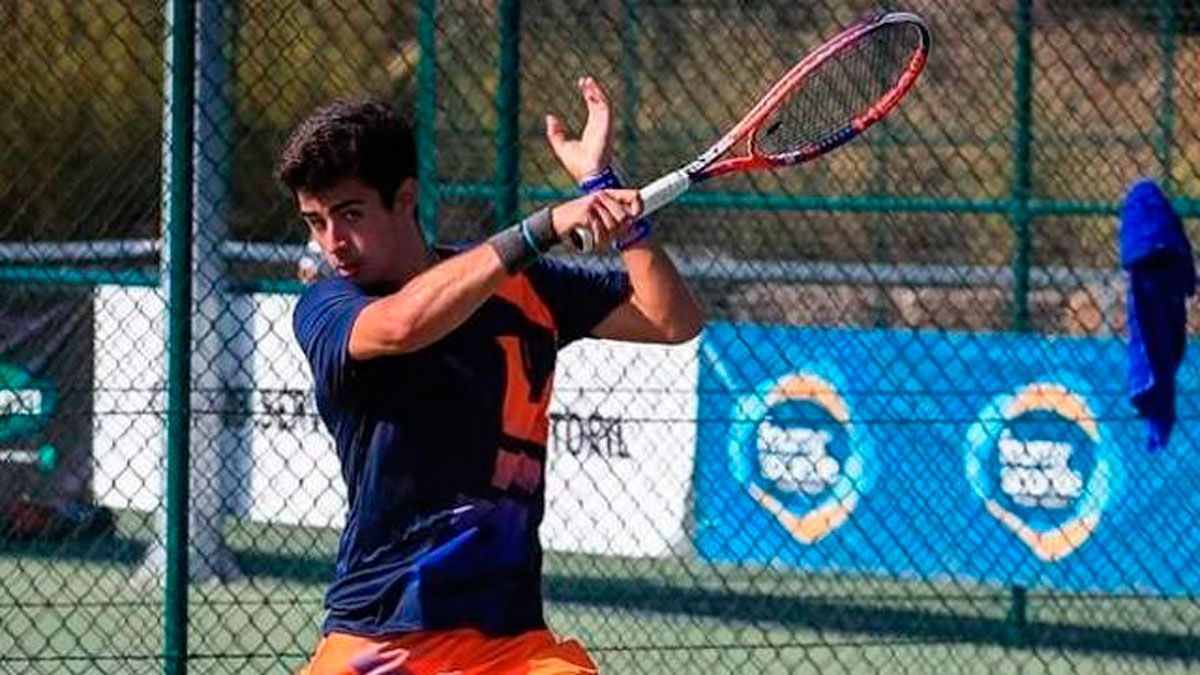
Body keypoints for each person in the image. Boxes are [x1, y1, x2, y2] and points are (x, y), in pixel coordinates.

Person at [279, 76, 703, 674]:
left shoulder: (525, 289)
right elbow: (404, 325)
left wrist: (610, 200)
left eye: (349, 214)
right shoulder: (327, 305)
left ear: (405, 198)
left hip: (510, 645)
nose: (332, 243)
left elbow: (670, 320)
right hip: (379, 638)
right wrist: (545, 226)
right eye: (315, 221)